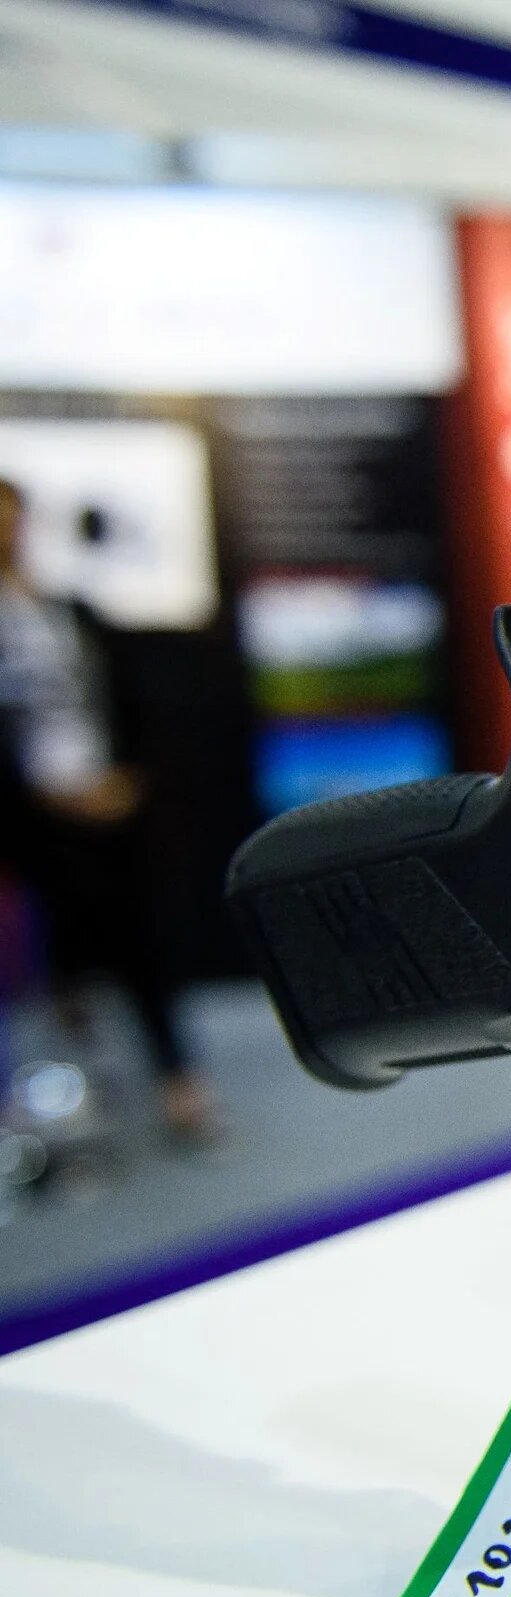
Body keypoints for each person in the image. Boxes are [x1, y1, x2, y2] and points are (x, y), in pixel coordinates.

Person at [0, 477, 216, 1141]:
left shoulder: (69, 609)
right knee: (56, 962)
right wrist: (42, 796)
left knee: (142, 939)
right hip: (27, 820)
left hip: (108, 803)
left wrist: (127, 779)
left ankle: (177, 1080)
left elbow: (129, 700)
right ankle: (70, 1099)